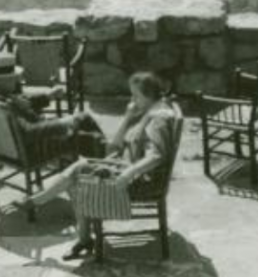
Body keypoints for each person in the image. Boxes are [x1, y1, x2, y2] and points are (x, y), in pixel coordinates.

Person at [17, 71, 176, 260]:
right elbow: (113, 147)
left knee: (78, 175)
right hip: (127, 168)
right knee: (79, 172)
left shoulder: (157, 119)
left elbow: (157, 155)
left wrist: (127, 175)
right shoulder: (150, 111)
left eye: (135, 96)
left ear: (148, 95)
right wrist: (127, 117)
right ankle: (74, 231)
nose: (132, 101)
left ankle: (43, 205)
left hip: (140, 181)